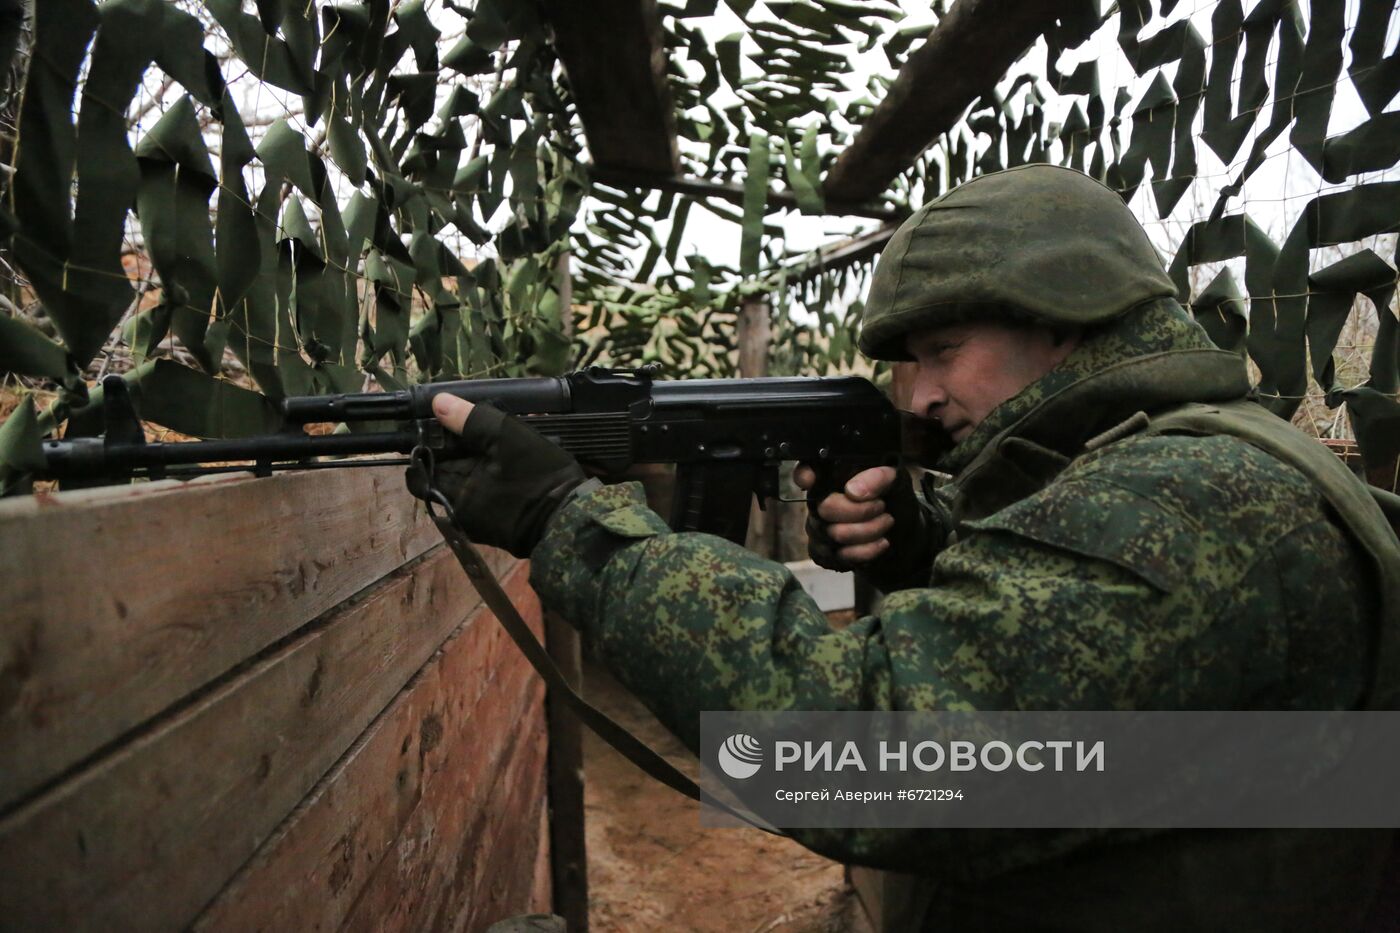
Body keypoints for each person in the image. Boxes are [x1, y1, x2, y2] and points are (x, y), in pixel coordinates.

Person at [426, 164, 1399, 931]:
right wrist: (922, 543)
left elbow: (859, 760)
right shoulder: (1207, 456)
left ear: (1061, 319)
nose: (918, 397)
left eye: (941, 352)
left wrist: (571, 525)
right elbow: (1099, 708)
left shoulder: (1179, 505)